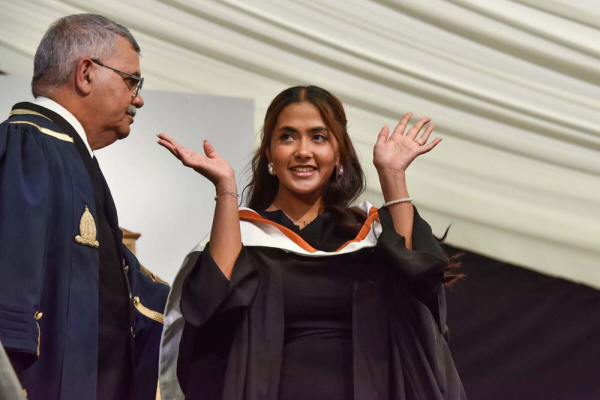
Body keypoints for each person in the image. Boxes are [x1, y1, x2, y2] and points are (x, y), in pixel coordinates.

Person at [158, 85, 466, 399]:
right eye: (287, 137)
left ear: (339, 154)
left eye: (318, 137)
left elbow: (415, 282)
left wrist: (392, 175)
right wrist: (226, 189)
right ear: (269, 153)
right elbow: (209, 305)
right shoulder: (250, 236)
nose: (303, 151)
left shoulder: (367, 237)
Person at [0, 14, 169, 400]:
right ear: (86, 73)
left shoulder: (72, 157)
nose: (138, 98)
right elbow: (10, 294)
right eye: (132, 81)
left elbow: (132, 292)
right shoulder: (27, 144)